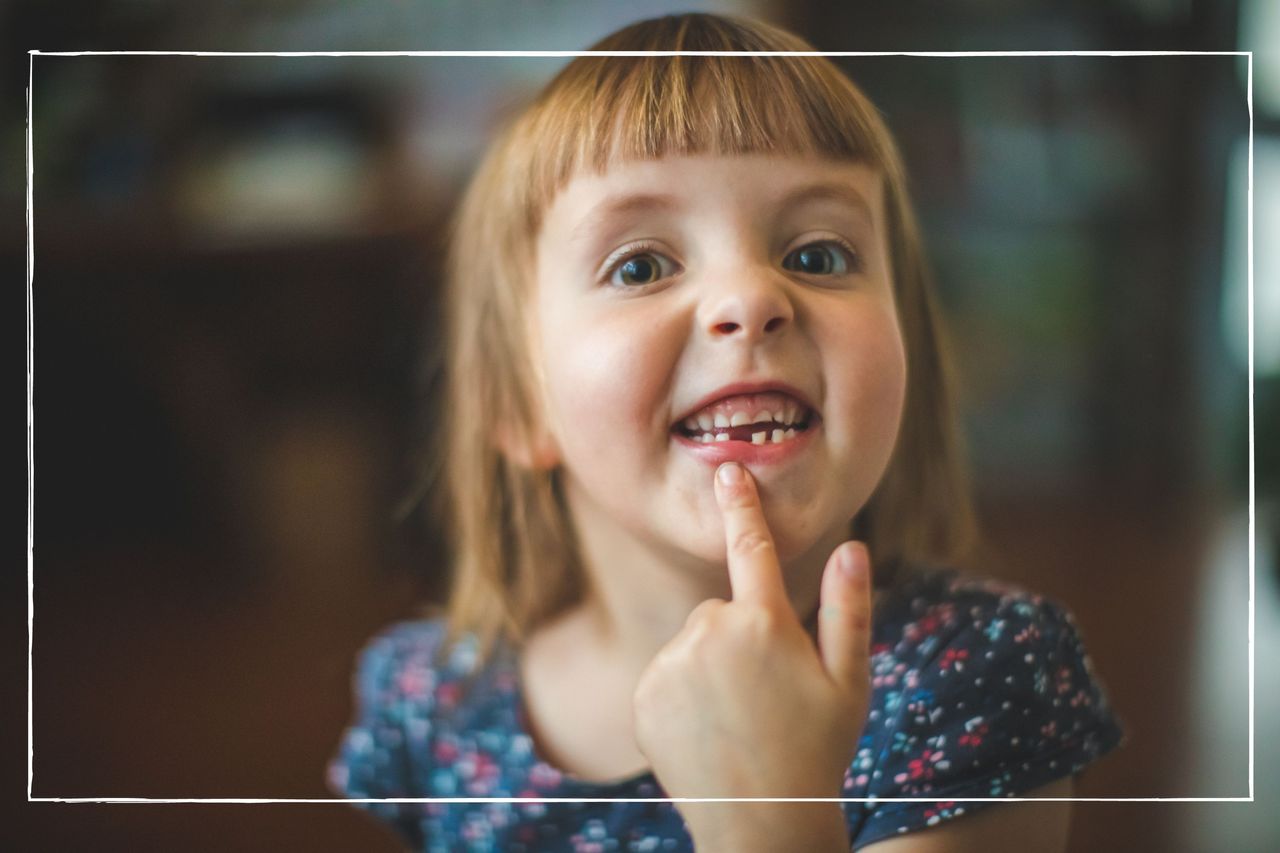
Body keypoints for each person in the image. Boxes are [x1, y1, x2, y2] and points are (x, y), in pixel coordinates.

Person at [328, 12, 1124, 852]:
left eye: (818, 254)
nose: (751, 296)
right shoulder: (430, 703)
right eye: (639, 265)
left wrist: (771, 824)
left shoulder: (972, 677)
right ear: (517, 401)